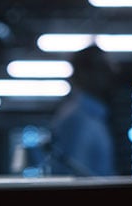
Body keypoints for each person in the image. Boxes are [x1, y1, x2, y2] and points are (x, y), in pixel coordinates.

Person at [40, 45, 118, 177]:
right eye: (103, 69)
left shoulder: (90, 116)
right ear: (83, 73)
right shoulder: (77, 119)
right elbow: (74, 181)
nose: (110, 76)